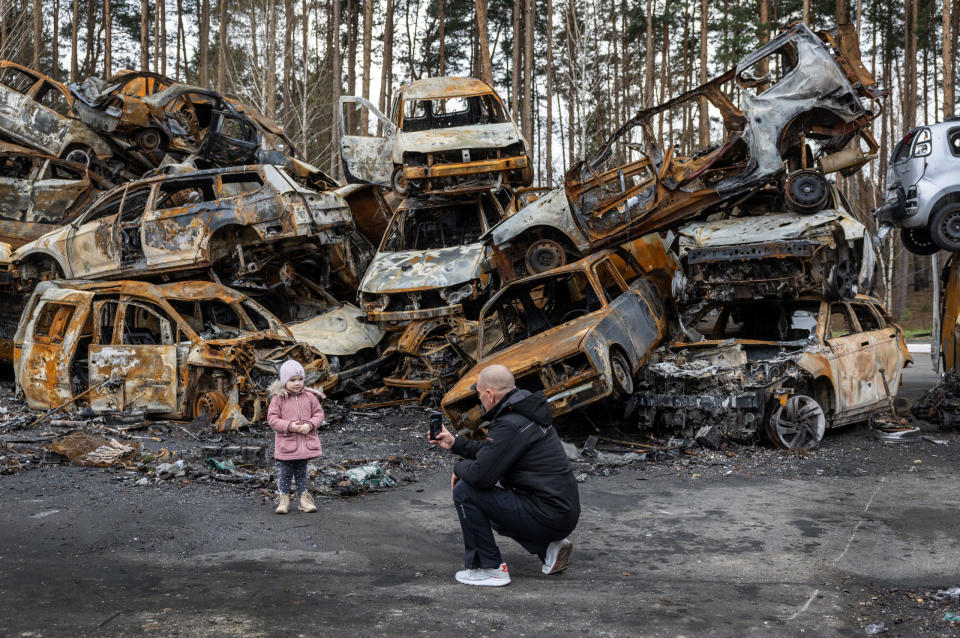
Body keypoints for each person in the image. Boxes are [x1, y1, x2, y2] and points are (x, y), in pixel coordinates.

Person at [430, 364, 580, 587]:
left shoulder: (510, 422)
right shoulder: (524, 411)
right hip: (560, 510)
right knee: (488, 499)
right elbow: (494, 454)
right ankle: (548, 548)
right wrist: (455, 444)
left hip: (548, 512)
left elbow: (482, 476)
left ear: (489, 394)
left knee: (467, 492)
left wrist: (458, 469)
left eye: (479, 394)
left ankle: (490, 568)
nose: (480, 400)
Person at [267, 359, 325, 514]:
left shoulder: (310, 397)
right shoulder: (278, 398)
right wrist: (289, 426)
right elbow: (272, 420)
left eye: (300, 379)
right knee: (285, 473)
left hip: (304, 445)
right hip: (287, 445)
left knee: (301, 472)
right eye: (292, 380)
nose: (297, 383)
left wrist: (310, 424)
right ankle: (283, 499)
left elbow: (319, 414)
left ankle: (303, 499)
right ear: (284, 381)